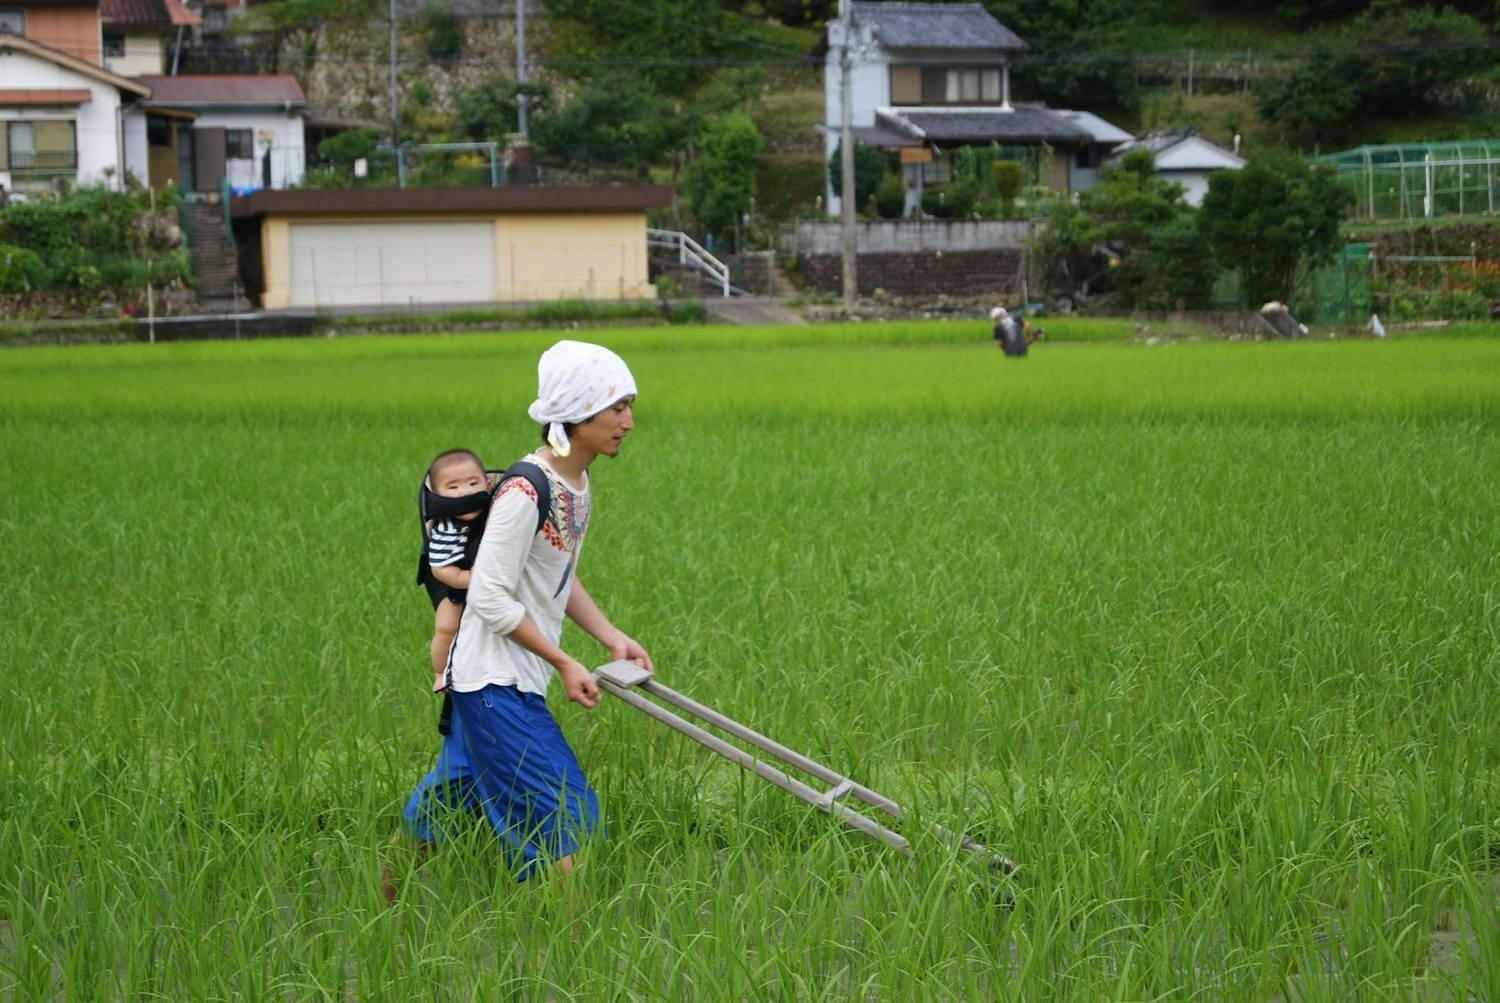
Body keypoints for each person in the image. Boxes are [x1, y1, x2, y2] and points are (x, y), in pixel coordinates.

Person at [388, 340, 652, 898]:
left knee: (440, 809)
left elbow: (557, 572)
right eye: (617, 407)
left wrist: (610, 637)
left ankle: (382, 909)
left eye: (628, 406)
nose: (628, 421)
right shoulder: (523, 490)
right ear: (578, 415)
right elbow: (487, 593)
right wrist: (561, 660)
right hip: (494, 683)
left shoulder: (574, 484)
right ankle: (570, 962)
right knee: (566, 816)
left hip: (500, 680)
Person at [421, 448, 490, 696]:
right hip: (454, 581)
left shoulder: (500, 511)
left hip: (490, 579)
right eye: (453, 487)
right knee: (448, 626)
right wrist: (470, 580)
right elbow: (440, 569)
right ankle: (441, 673)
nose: (465, 492)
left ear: (488, 483)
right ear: (438, 495)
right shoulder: (446, 527)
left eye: (473, 483)